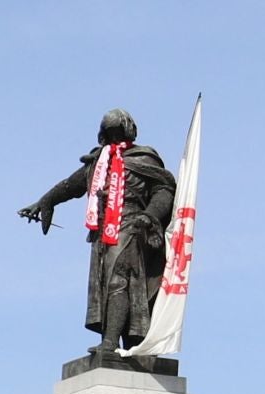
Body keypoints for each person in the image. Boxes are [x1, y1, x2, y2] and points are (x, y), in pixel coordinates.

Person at [18, 108, 176, 355]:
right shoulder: (99, 162)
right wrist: (45, 201)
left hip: (132, 226)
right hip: (103, 231)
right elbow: (71, 185)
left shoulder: (144, 159)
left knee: (118, 280)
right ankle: (129, 344)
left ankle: (110, 343)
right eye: (109, 133)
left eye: (117, 132)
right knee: (109, 284)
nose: (113, 137)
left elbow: (164, 189)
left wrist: (150, 215)